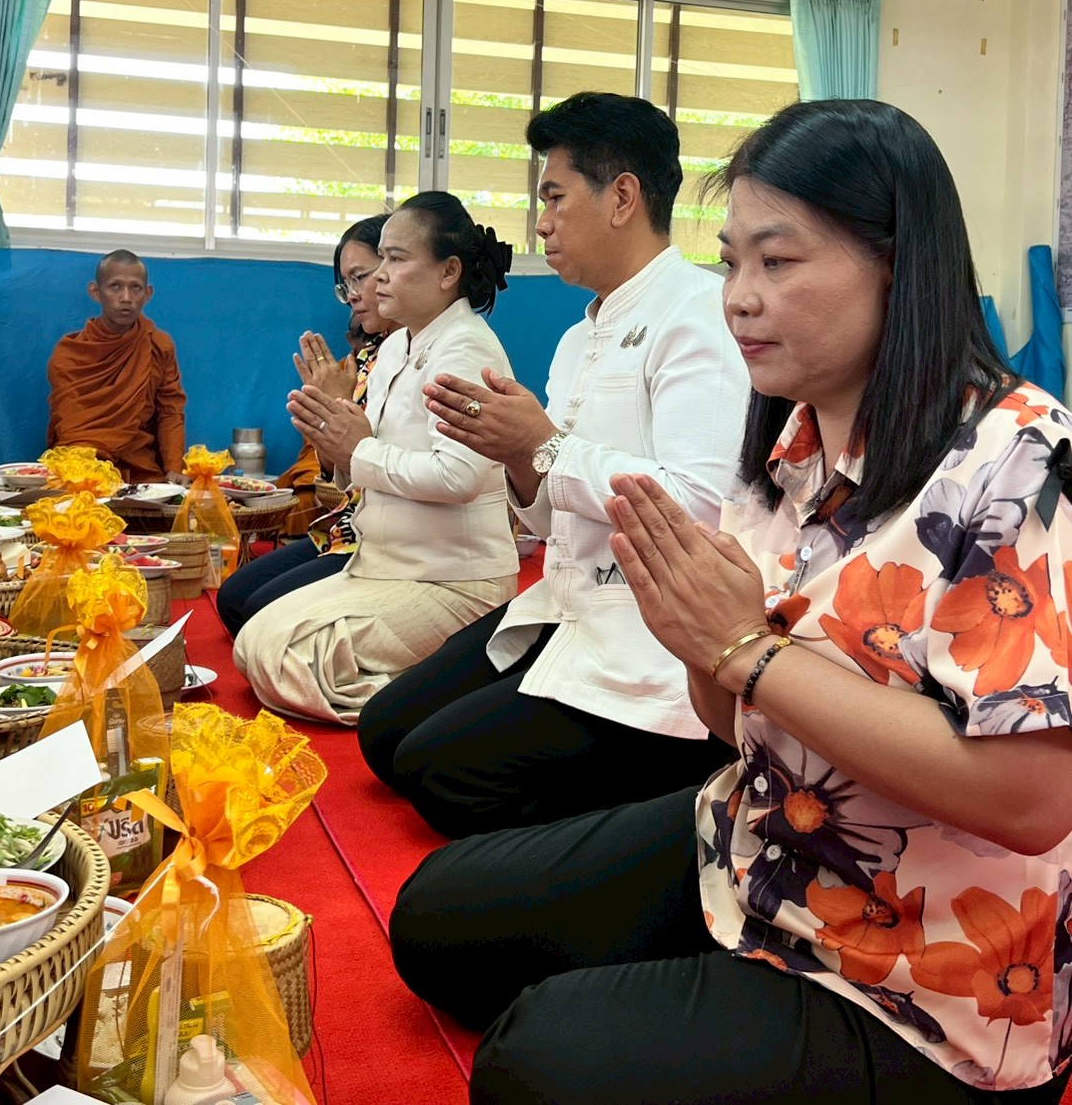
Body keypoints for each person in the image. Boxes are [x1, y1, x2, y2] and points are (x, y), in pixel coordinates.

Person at [389, 98, 1072, 1105]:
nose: (738, 298)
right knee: (434, 920)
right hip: (756, 839)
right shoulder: (791, 446)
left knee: (531, 1059)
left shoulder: (1018, 457)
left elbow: (1030, 800)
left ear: (897, 263)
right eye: (731, 262)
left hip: (926, 970)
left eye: (777, 263)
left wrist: (746, 649)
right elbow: (729, 717)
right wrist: (706, 648)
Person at [357, 91, 748, 836]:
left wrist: (543, 446)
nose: (540, 222)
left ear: (623, 197)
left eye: (554, 196)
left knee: (438, 772)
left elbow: (701, 502)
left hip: (644, 628)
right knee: (385, 734)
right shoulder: (579, 337)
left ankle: (672, 790)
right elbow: (546, 509)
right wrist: (518, 457)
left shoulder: (698, 314)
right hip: (563, 600)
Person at [234, 192, 520, 725]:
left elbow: (458, 475)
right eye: (380, 259)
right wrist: (337, 442)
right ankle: (432, 686)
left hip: (452, 581)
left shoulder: (467, 349)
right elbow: (364, 458)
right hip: (383, 567)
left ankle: (441, 700)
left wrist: (357, 449)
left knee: (284, 659)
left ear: (448, 271)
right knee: (253, 641)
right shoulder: (394, 347)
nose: (378, 278)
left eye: (396, 259)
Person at [216, 214, 392, 636]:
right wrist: (321, 422)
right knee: (232, 600)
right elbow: (341, 472)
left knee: (258, 612)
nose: (352, 295)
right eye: (344, 284)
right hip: (343, 522)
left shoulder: (423, 354)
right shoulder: (365, 359)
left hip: (385, 536)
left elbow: (387, 455)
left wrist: (339, 407)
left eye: (359, 278)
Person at [46, 249, 186, 483]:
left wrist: (174, 468)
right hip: (82, 469)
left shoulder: (158, 345)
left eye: (135, 288)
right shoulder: (70, 353)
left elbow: (170, 412)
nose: (126, 298)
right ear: (95, 292)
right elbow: (72, 430)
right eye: (115, 286)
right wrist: (89, 473)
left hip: (141, 471)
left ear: (147, 294)